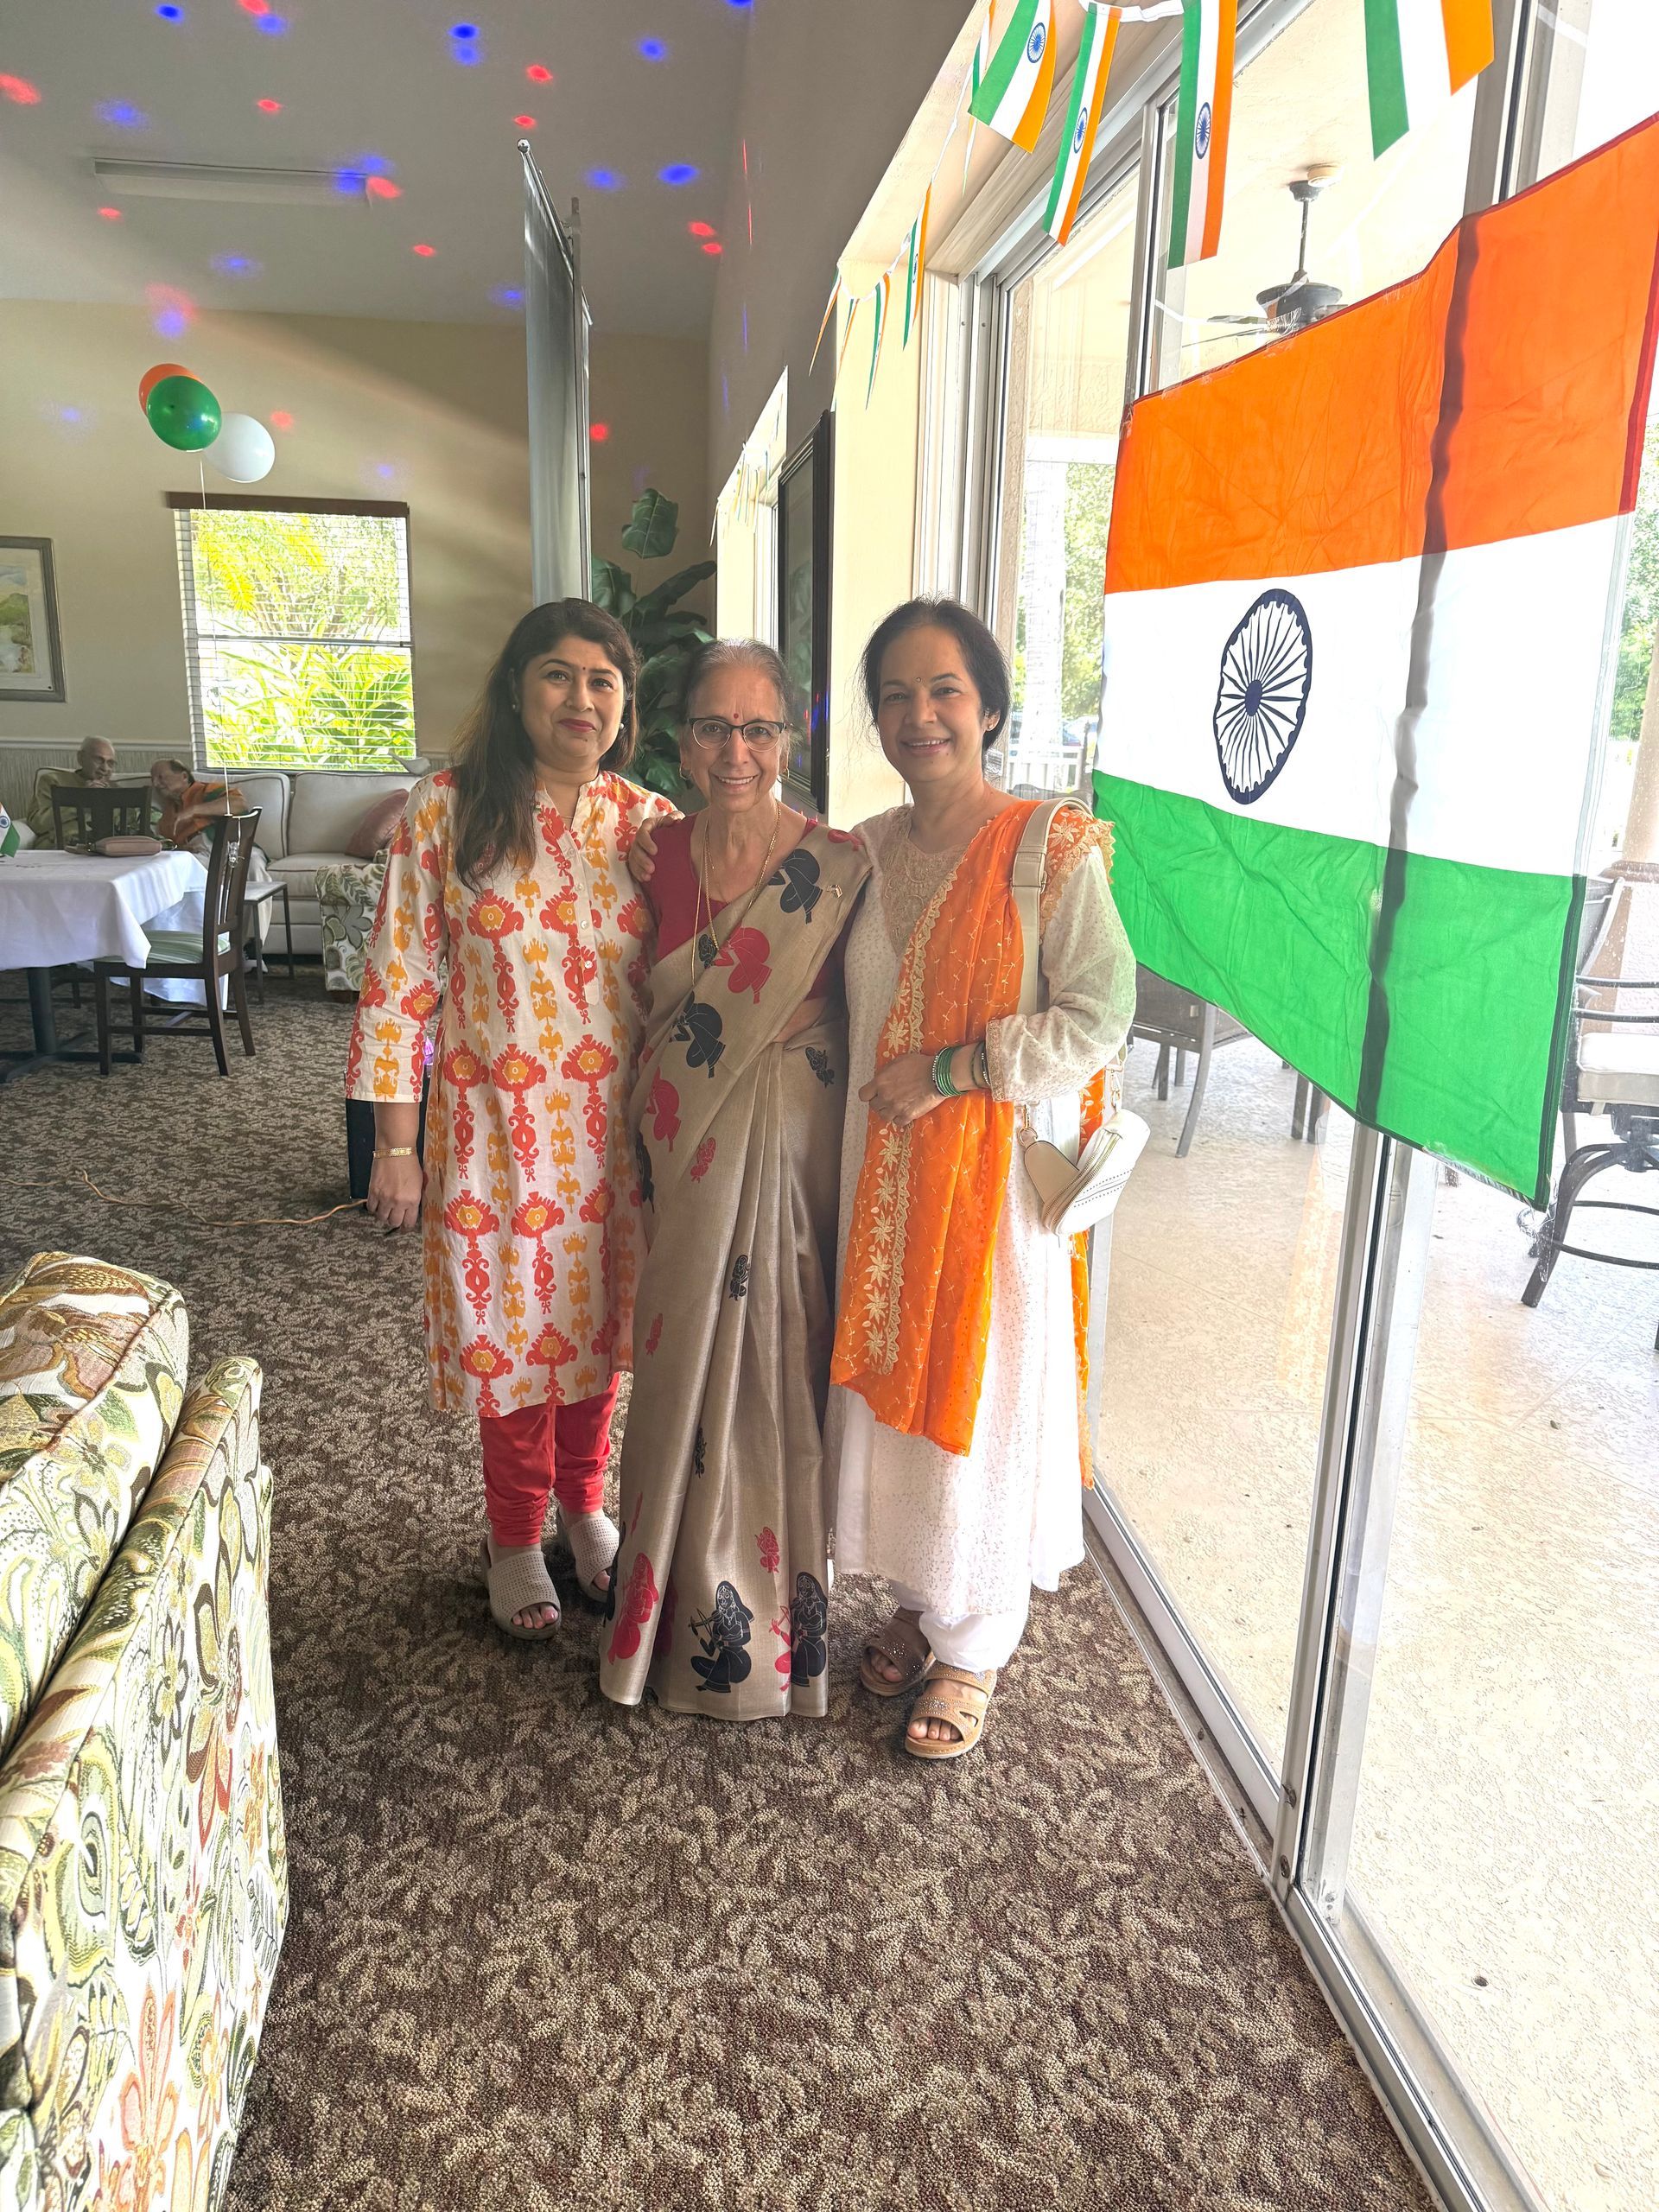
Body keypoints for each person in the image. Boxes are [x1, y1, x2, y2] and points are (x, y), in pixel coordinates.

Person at [828, 598, 1135, 1761]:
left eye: (945, 690)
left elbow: (1100, 1013)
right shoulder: (861, 854)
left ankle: (976, 1643)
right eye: (897, 695)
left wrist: (960, 1067)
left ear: (989, 707)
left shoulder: (1045, 847)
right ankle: (918, 1596)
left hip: (990, 1195)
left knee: (985, 1401)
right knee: (892, 1401)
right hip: (879, 1182)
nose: (920, 714)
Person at [348, 600, 675, 1639]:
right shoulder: (443, 814)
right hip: (491, 1138)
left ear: (624, 706)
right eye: (557, 675)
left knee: (598, 1336)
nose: (581, 698)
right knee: (511, 1343)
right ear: (517, 689)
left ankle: (585, 1505)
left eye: (602, 681)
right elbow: (399, 985)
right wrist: (396, 1145)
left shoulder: (654, 827)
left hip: (616, 1145)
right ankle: (511, 1534)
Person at [599, 641, 868, 1720]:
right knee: (674, 1366)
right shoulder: (652, 855)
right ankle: (658, 1612)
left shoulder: (838, 865)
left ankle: (780, 1633)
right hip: (684, 1141)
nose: (736, 751)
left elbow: (859, 1006)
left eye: (759, 729)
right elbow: (643, 1004)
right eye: (714, 727)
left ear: (787, 743)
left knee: (779, 1362)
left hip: (789, 1148)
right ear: (681, 741)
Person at [27, 735, 117, 844]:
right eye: (99, 760)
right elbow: (38, 823)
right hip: (61, 848)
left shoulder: (116, 789)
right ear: (81, 758)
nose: (105, 768)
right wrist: (82, 800)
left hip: (104, 851)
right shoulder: (53, 781)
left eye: (110, 763)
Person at [151, 758, 248, 850]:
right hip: (196, 854)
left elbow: (239, 804)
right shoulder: (166, 815)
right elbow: (169, 846)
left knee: (253, 861)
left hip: (230, 847)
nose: (155, 784)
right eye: (153, 779)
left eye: (161, 777)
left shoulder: (207, 790)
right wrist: (181, 849)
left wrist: (193, 810)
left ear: (184, 776)